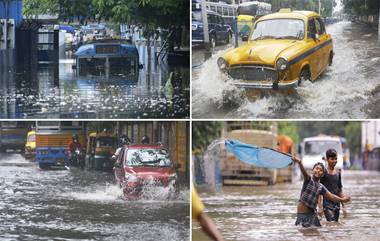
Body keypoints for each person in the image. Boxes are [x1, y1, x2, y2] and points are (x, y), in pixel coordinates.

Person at [292, 156, 351, 227]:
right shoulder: (308, 179)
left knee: (319, 235)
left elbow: (331, 196)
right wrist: (300, 162)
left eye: (320, 170)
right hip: (302, 215)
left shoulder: (321, 187)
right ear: (312, 170)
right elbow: (304, 172)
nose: (318, 171)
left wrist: (342, 200)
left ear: (322, 174)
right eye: (316, 168)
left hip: (312, 215)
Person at [319, 149, 347, 221]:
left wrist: (344, 206)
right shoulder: (324, 173)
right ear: (327, 159)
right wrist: (320, 206)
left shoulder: (338, 173)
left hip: (337, 203)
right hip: (327, 203)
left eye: (336, 159)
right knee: (331, 222)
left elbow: (339, 190)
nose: (334, 161)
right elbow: (320, 191)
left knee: (335, 222)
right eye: (332, 159)